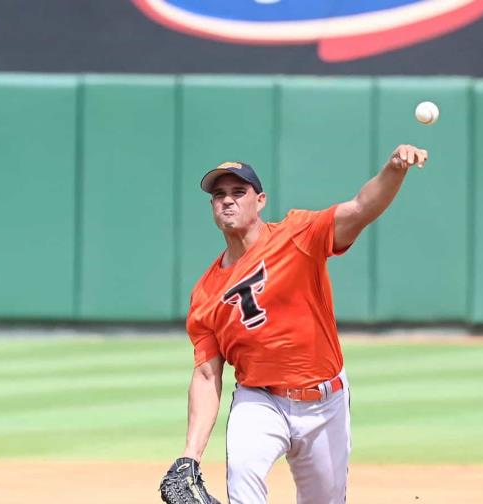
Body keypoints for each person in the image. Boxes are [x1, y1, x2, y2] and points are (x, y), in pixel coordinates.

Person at [161, 144, 429, 504]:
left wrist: (395, 169)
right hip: (259, 401)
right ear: (211, 207)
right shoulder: (206, 294)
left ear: (260, 200)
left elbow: (361, 208)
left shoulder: (297, 235)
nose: (228, 200)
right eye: (219, 194)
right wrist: (190, 454)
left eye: (239, 192)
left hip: (324, 400)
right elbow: (208, 375)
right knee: (243, 478)